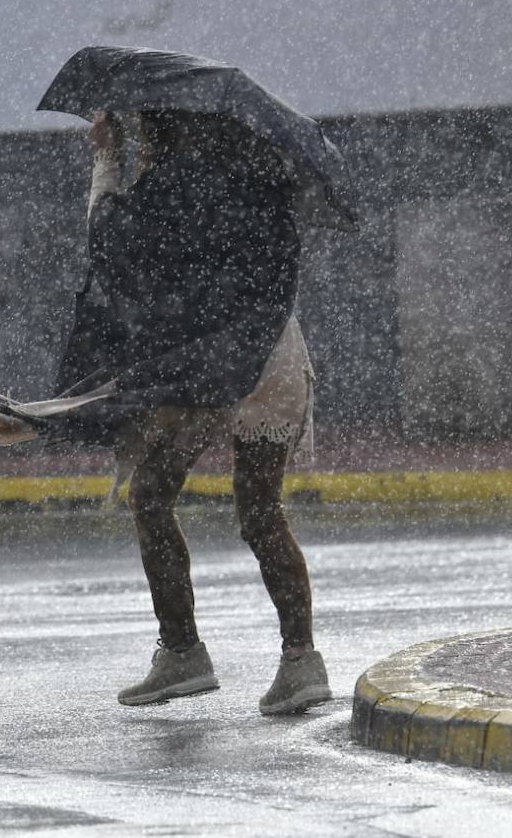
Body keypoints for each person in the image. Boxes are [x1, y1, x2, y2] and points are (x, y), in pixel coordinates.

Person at [52, 109, 333, 716]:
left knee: (152, 495)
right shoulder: (254, 181)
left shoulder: (164, 195)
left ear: (154, 136)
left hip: (208, 362)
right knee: (260, 511)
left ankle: (182, 651)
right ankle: (301, 660)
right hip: (274, 353)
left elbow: (111, 248)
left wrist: (107, 159)